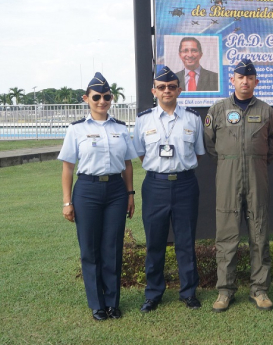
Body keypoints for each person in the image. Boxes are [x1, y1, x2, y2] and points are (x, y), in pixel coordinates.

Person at [59, 72, 137, 321]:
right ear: (86, 98)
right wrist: (67, 202)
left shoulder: (120, 128)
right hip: (87, 191)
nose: (102, 101)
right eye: (96, 97)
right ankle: (97, 304)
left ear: (111, 98)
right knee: (90, 249)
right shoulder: (76, 130)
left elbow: (128, 164)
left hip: (116, 190)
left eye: (106, 96)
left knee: (113, 247)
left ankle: (113, 303)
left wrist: (130, 194)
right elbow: (68, 168)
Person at [204, 59, 273, 312]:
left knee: (259, 234)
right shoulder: (217, 110)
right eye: (240, 77)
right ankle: (225, 291)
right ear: (232, 80)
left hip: (258, 178)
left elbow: (272, 146)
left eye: (250, 77)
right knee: (226, 236)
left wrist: (254, 161)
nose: (245, 81)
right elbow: (210, 145)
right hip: (227, 177)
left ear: (256, 82)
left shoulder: (267, 111)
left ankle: (259, 289)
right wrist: (231, 162)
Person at [132, 66, 205, 313]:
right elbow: (141, 154)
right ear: (154, 90)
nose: (167, 91)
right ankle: (153, 294)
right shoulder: (143, 120)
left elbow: (197, 153)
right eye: (161, 87)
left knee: (186, 240)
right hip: (155, 185)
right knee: (154, 242)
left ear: (179, 90)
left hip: (185, 184)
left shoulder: (192, 119)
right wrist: (160, 172)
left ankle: (188, 293)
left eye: (172, 86)